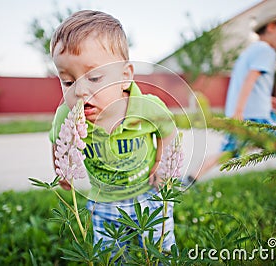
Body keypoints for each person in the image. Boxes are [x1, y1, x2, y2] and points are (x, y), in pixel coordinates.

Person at [48, 10, 177, 251]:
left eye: (94, 77)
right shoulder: (67, 114)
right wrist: (61, 168)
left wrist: (161, 162)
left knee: (160, 250)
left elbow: (168, 131)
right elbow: (57, 141)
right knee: (110, 254)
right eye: (67, 81)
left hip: (149, 195)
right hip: (103, 201)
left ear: (125, 76)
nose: (79, 90)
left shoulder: (147, 107)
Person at [188, 10, 276, 203]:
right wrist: (239, 112)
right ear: (271, 27)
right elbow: (250, 80)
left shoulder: (250, 51)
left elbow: (247, 83)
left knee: (226, 153)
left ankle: (188, 180)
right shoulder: (266, 50)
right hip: (256, 117)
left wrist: (264, 100)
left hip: (245, 113)